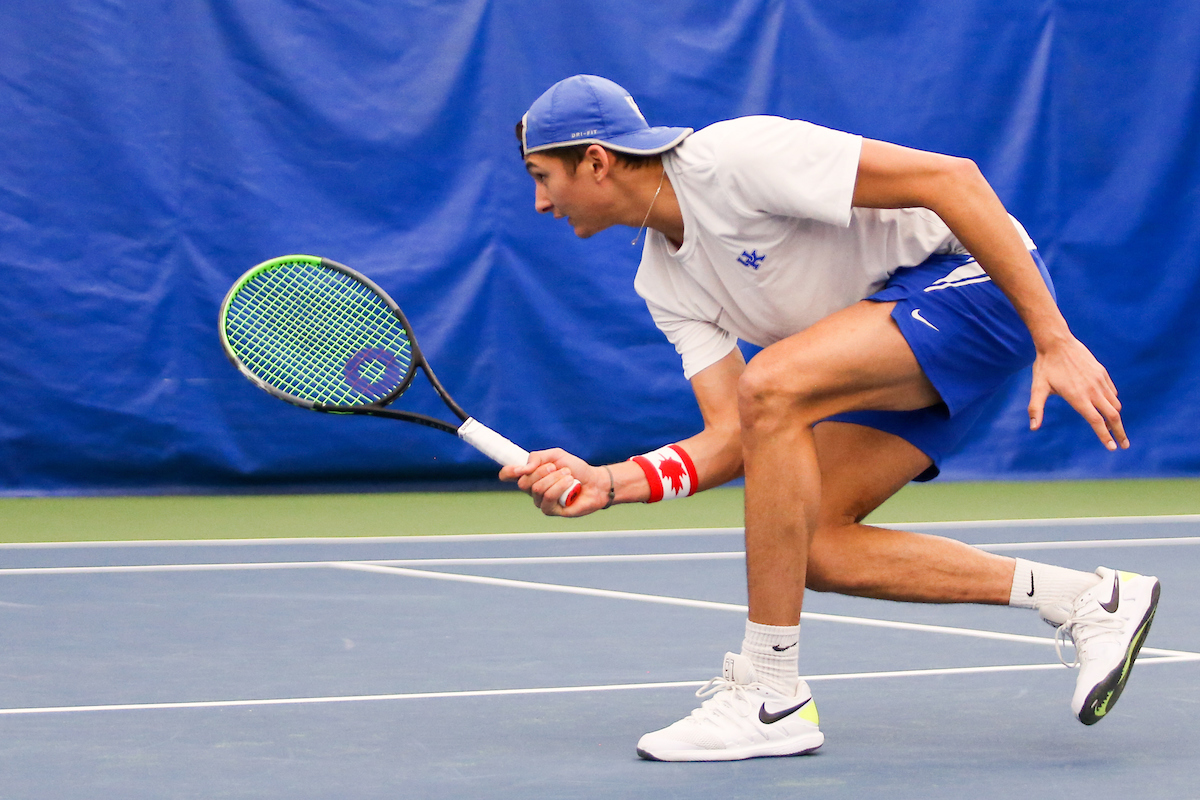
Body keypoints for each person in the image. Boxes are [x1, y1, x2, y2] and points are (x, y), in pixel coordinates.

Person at [501, 74, 1161, 762]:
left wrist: (1054, 338)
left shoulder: (732, 159)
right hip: (892, 331)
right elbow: (735, 437)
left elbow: (954, 181)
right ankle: (1091, 601)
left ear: (597, 161)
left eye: (542, 175)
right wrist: (609, 482)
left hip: (977, 283)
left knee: (775, 383)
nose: (541, 201)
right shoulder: (662, 282)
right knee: (812, 546)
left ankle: (769, 691)